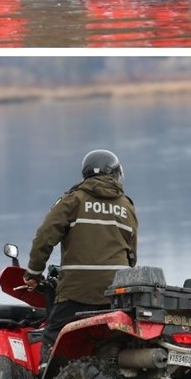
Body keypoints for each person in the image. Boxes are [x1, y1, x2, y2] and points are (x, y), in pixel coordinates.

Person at [24, 149, 138, 362]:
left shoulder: (73, 200)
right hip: (116, 293)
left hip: (76, 291)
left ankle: (48, 376)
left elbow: (44, 238)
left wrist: (33, 272)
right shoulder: (126, 206)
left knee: (53, 335)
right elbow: (131, 254)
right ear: (115, 174)